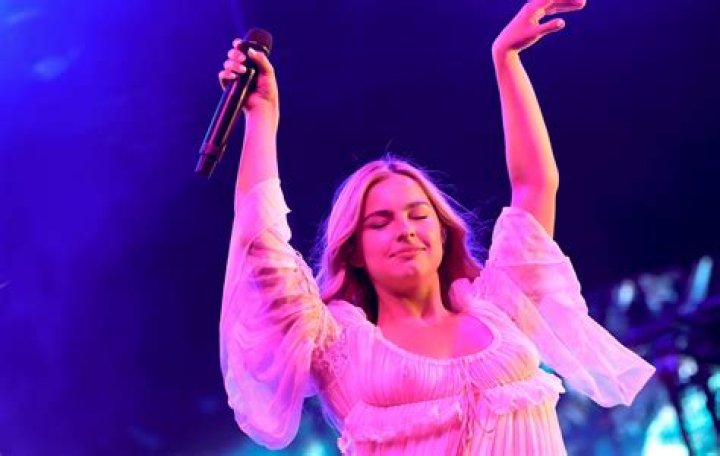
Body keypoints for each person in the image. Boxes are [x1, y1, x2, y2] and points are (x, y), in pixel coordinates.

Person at [217, 0, 655, 454]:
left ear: (443, 233)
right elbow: (261, 245)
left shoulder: (500, 305)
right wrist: (262, 119)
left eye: (418, 214)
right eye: (380, 222)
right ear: (353, 250)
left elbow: (535, 184)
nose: (405, 230)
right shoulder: (338, 344)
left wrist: (505, 59)